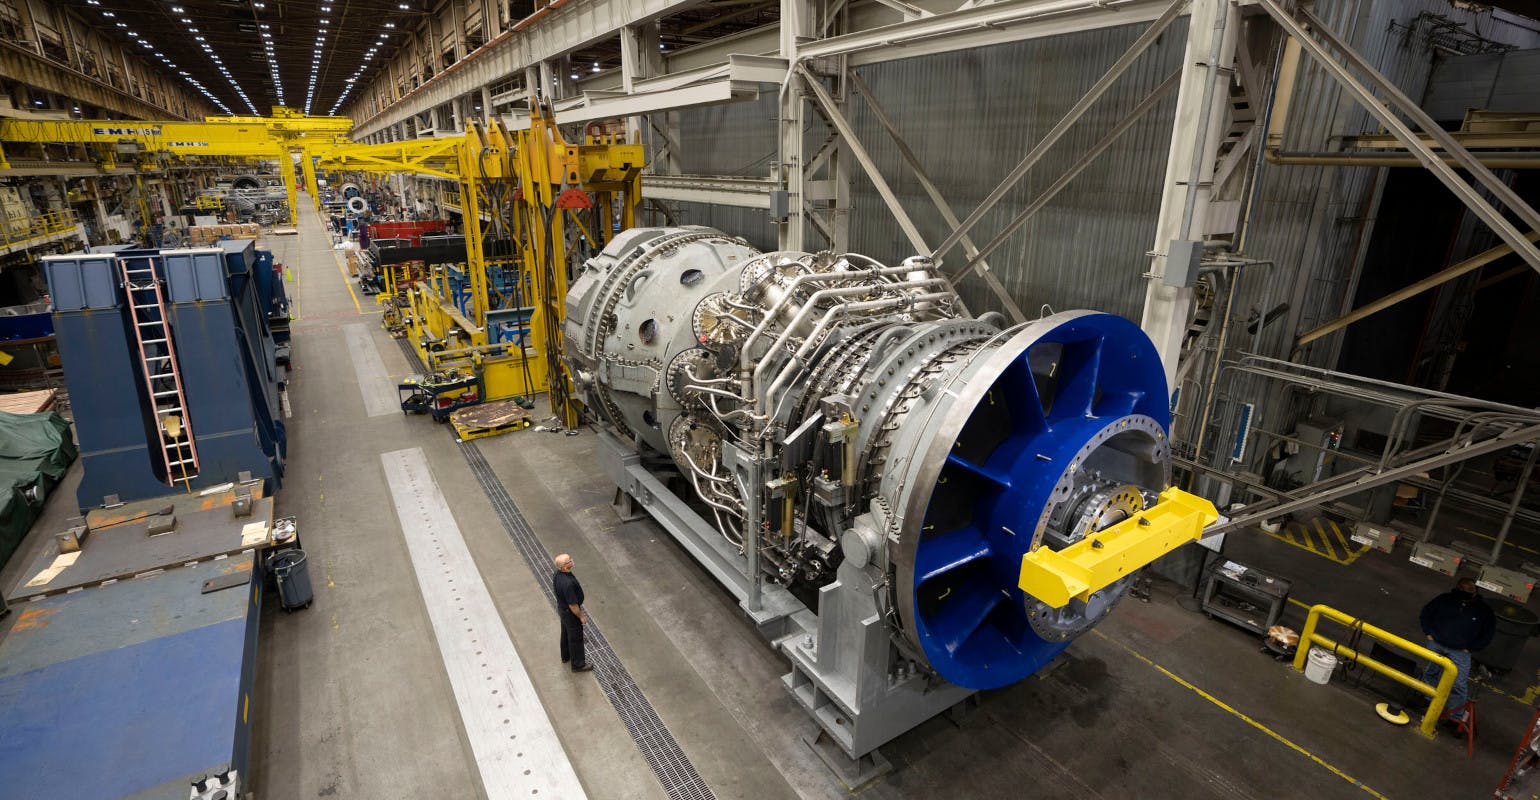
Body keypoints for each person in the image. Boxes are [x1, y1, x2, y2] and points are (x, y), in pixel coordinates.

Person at [1419, 577, 1495, 720]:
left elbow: (1488, 633)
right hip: (1436, 644)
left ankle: (1455, 717)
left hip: (1460, 652)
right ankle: (1428, 701)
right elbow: (1426, 613)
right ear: (1458, 588)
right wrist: (1428, 633)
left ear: (1475, 591)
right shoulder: (1445, 599)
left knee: (1458, 684)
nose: (1466, 592)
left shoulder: (1484, 611)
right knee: (1430, 673)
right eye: (1463, 589)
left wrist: (1471, 648)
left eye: (1469, 590)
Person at [553, 553, 592, 673]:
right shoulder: (568, 584)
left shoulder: (557, 575)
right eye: (569, 560)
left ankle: (566, 656)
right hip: (570, 613)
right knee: (576, 638)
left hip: (562, 609)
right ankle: (578, 664)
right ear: (564, 566)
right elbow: (573, 605)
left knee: (565, 633)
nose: (572, 561)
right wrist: (580, 616)